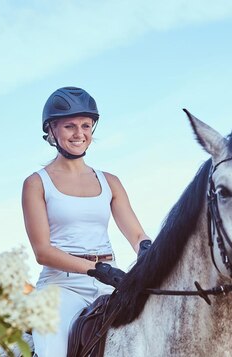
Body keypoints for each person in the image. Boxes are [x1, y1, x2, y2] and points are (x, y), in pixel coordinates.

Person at [22, 86, 151, 356]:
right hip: (61, 288)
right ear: (51, 131)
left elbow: (137, 235)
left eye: (85, 125)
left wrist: (148, 249)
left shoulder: (110, 182)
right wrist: (96, 269)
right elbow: (42, 252)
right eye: (69, 126)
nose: (79, 133)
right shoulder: (36, 183)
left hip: (112, 282)